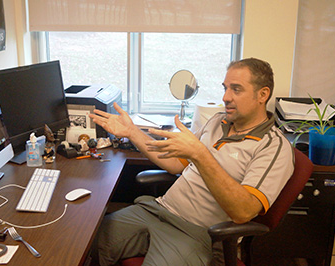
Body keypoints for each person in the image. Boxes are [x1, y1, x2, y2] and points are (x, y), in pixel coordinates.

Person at [89, 58, 294, 266]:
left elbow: (244, 212)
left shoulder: (273, 147)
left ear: (263, 94)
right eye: (225, 88)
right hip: (158, 211)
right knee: (86, 242)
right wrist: (132, 132)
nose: (226, 97)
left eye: (236, 89)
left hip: (197, 233)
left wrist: (200, 155)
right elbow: (175, 164)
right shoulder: (217, 121)